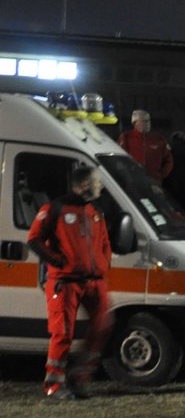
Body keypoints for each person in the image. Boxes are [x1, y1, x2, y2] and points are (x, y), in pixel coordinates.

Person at [26, 164, 113, 399]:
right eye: (97, 182)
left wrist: (104, 264)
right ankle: (54, 386)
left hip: (94, 282)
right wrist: (59, 263)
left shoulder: (96, 210)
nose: (101, 186)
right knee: (62, 333)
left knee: (103, 325)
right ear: (84, 185)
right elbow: (34, 240)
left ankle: (79, 379)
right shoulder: (55, 208)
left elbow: (105, 242)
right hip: (65, 283)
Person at [118, 110, 173, 182]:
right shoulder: (126, 137)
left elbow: (168, 160)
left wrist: (160, 175)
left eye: (149, 120)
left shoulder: (159, 139)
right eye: (144, 121)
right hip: (132, 182)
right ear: (135, 123)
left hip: (153, 183)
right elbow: (119, 159)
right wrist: (126, 175)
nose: (148, 123)